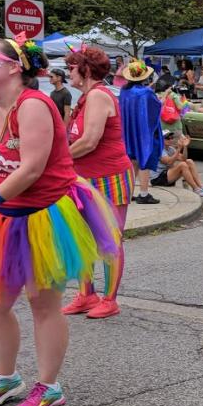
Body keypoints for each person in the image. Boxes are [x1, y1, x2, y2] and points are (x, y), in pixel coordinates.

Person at [0, 34, 120, 406]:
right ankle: (6, 378)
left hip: (44, 214)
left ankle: (49, 386)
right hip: (1, 214)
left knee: (42, 302)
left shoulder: (34, 104)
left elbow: (32, 169)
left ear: (15, 67)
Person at [61, 45, 136, 319]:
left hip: (109, 177)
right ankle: (86, 294)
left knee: (110, 240)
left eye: (71, 66)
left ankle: (110, 299)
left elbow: (89, 141)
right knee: (83, 238)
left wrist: (56, 160)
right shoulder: (84, 98)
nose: (68, 70)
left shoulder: (98, 97)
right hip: (83, 178)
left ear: (86, 69)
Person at [117, 60, 165, 206]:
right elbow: (155, 108)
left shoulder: (124, 91)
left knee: (133, 161)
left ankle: (129, 192)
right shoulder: (146, 92)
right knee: (145, 158)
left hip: (129, 130)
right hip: (144, 131)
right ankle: (144, 193)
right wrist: (161, 100)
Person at [151, 130, 203, 196]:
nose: (170, 139)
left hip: (167, 176)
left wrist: (185, 146)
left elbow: (183, 158)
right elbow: (169, 162)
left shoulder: (170, 149)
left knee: (189, 161)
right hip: (157, 179)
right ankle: (195, 188)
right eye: (167, 138)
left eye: (171, 137)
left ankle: (201, 186)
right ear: (160, 139)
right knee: (182, 165)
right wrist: (179, 148)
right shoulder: (158, 149)